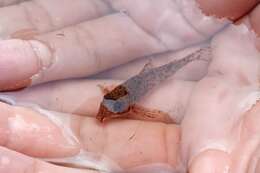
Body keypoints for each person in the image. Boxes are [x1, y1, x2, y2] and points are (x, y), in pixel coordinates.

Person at [0, 0, 259, 172]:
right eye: (106, 111)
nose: (103, 115)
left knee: (167, 69)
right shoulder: (115, 100)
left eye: (106, 112)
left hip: (150, 77)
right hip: (146, 78)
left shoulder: (121, 100)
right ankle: (195, 56)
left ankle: (195, 56)